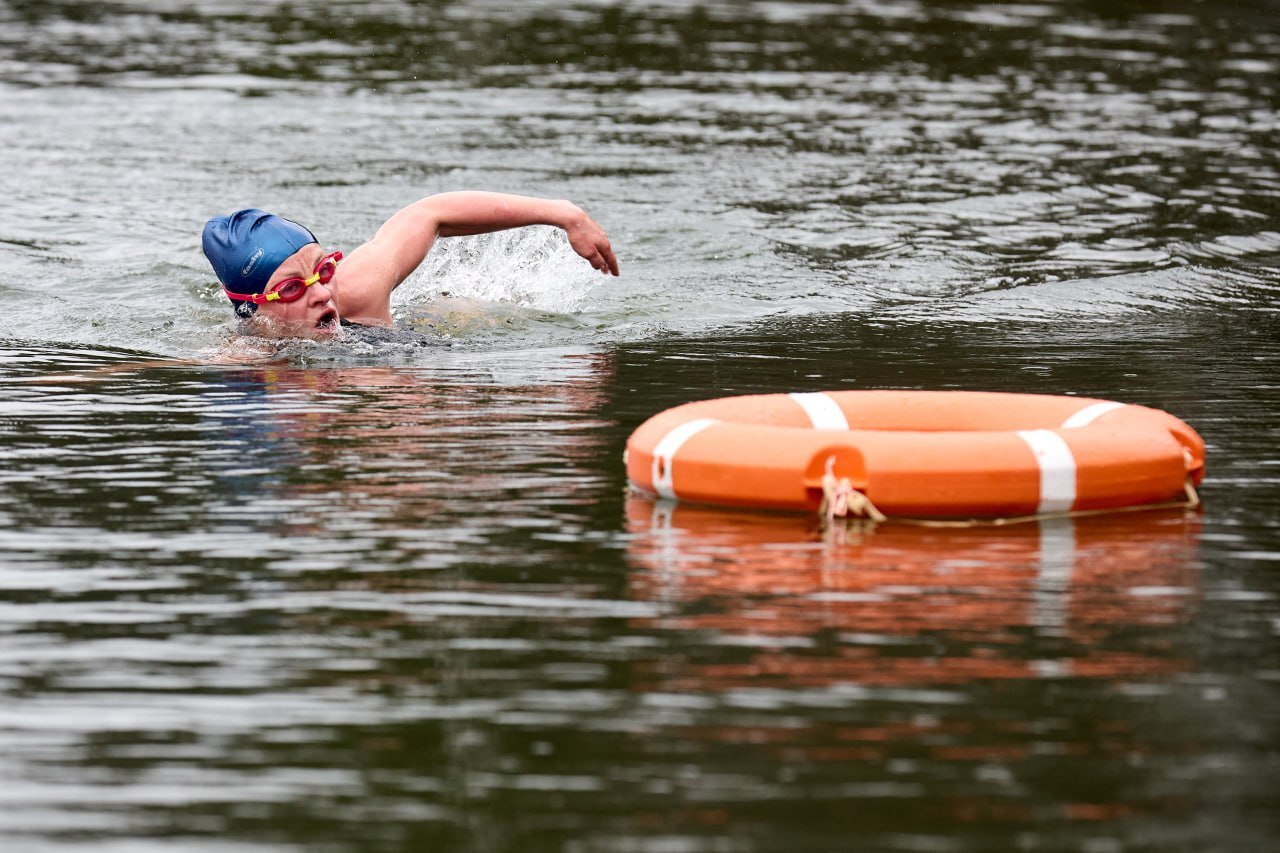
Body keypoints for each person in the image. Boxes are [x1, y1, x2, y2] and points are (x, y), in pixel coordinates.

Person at [202, 191, 620, 339]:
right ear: (251, 306)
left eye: (324, 270)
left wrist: (564, 214)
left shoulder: (357, 292)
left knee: (459, 310)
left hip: (426, 333)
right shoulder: (247, 361)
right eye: (293, 288)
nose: (323, 294)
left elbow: (429, 213)